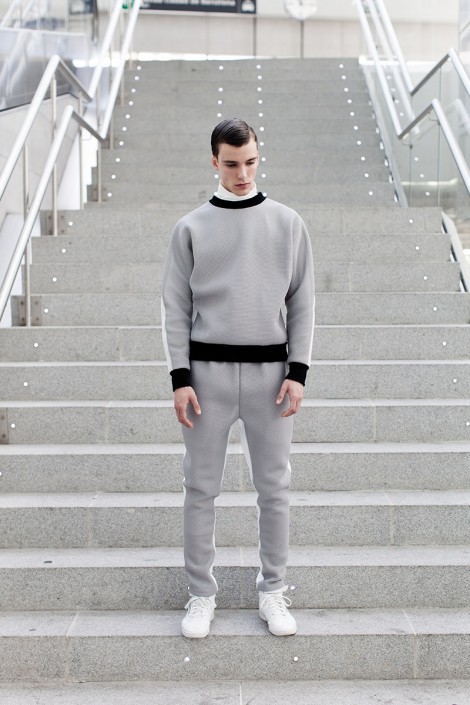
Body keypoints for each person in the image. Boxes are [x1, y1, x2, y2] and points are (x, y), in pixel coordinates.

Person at [161, 118, 315, 639]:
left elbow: (303, 301)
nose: (243, 173)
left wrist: (298, 372)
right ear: (214, 162)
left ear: (258, 155)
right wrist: (180, 377)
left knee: (274, 487)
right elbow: (175, 307)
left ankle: (272, 590)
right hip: (207, 379)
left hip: (272, 377)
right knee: (200, 487)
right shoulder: (191, 227)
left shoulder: (288, 223)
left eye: (250, 161)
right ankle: (201, 594)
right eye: (231, 164)